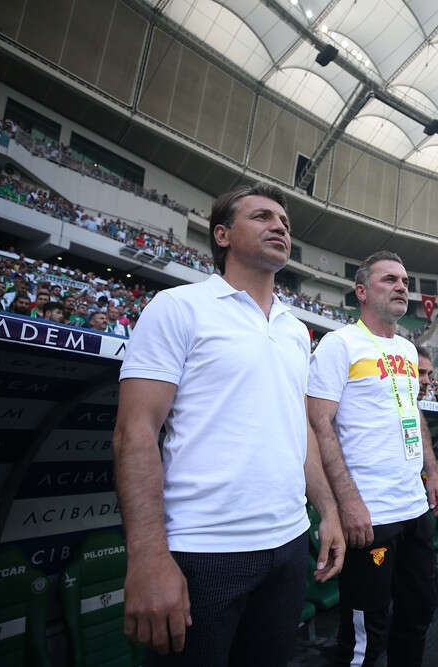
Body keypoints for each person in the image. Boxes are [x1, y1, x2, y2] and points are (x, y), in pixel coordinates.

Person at [113, 183, 343, 666]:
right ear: (222, 235)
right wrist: (148, 556)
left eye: (284, 222)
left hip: (288, 544)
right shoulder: (178, 307)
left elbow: (298, 429)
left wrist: (327, 510)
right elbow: (135, 433)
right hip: (204, 549)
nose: (279, 227)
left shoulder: (295, 330)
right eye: (262, 217)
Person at [307, 250, 438, 667]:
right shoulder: (339, 344)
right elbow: (319, 424)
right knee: (367, 633)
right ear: (362, 291)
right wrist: (347, 502)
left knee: (418, 613)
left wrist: (433, 473)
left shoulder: (407, 350)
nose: (401, 287)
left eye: (404, 281)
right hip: (371, 513)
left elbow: (413, 412)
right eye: (389, 279)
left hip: (414, 507)